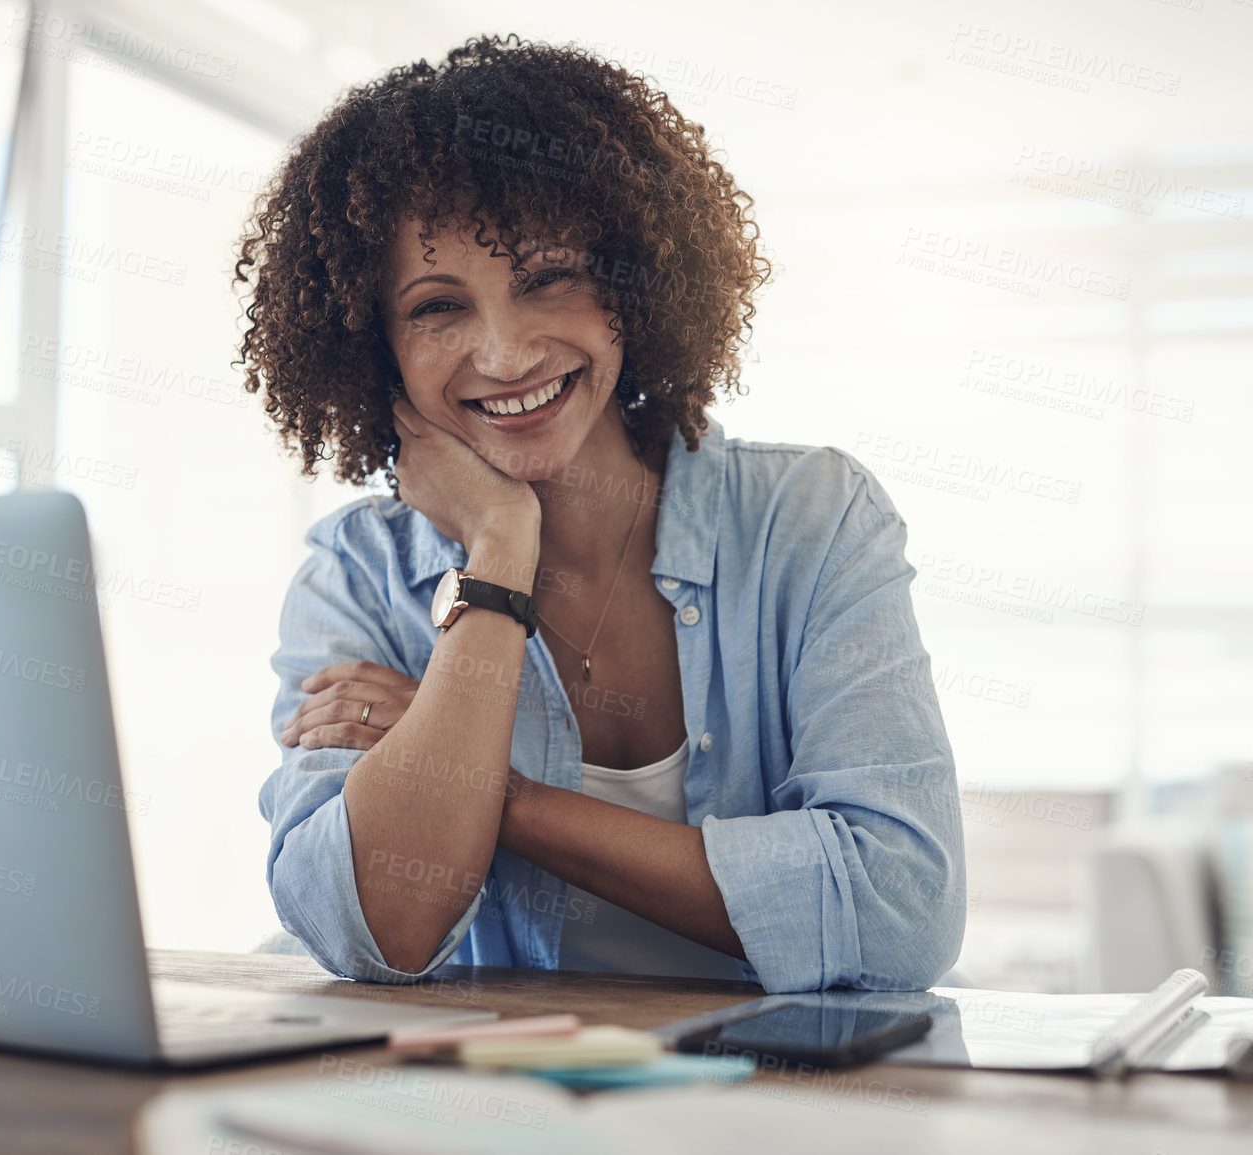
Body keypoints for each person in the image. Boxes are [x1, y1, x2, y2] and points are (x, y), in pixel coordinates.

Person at [237, 34, 965, 990]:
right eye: (436, 308)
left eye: (546, 278)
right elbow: (375, 930)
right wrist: (499, 550)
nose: (503, 353)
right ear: (374, 348)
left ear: (631, 285)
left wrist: (504, 798)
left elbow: (897, 915)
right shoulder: (358, 573)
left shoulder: (812, 519)